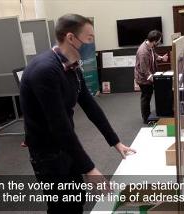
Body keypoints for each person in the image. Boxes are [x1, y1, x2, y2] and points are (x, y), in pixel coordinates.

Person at [20, 14, 135, 213]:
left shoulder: (71, 64)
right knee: (62, 206)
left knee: (77, 199)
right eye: (89, 38)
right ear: (71, 38)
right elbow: (59, 125)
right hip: (47, 153)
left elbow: (90, 106)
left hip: (67, 145)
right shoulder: (45, 70)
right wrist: (90, 168)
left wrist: (115, 142)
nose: (92, 43)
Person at [134, 30, 168, 124]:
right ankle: (146, 118)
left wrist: (161, 58)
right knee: (146, 97)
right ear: (154, 40)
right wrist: (154, 80)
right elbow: (144, 70)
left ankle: (148, 116)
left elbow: (153, 55)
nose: (159, 42)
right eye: (159, 41)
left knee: (148, 96)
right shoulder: (143, 52)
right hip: (143, 79)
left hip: (148, 76)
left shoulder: (150, 46)